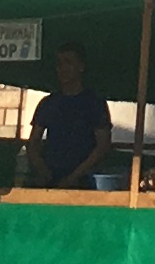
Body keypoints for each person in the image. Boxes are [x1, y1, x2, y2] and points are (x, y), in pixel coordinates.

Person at [21, 46, 116, 189]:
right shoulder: (48, 103)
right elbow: (33, 142)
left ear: (81, 67)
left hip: (85, 183)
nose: (63, 69)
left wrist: (74, 177)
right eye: (59, 64)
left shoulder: (94, 103)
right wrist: (43, 171)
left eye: (68, 62)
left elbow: (102, 146)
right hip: (50, 181)